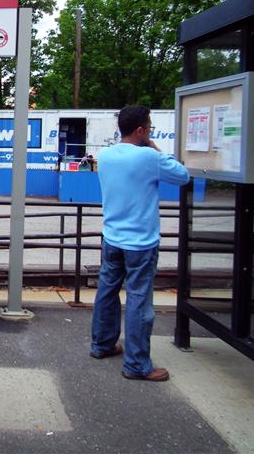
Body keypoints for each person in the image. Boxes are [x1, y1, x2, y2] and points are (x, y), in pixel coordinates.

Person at [90, 105, 189, 381]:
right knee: (138, 300)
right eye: (149, 128)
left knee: (106, 292)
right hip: (141, 243)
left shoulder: (106, 155)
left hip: (112, 237)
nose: (151, 132)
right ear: (141, 130)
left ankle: (102, 345)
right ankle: (136, 364)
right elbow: (182, 176)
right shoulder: (149, 157)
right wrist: (155, 148)